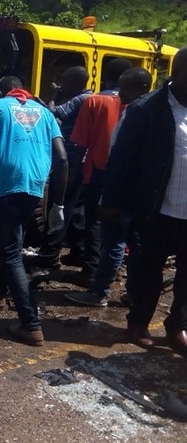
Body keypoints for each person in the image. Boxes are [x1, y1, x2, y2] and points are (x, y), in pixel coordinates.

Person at [0, 76, 68, 346]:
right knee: (13, 240)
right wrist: (58, 203)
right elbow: (61, 158)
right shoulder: (45, 112)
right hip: (36, 184)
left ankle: (31, 324)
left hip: (8, 184)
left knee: (11, 252)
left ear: (2, 92)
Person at [101, 47, 187, 352]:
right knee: (148, 273)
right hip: (155, 209)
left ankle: (176, 326)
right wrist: (111, 202)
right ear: (177, 73)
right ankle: (138, 323)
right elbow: (121, 158)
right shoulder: (146, 109)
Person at [64, 67, 152, 307]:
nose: (120, 93)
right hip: (139, 189)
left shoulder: (133, 114)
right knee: (134, 242)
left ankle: (98, 291)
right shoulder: (151, 113)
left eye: (125, 89)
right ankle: (134, 292)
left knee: (112, 239)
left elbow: (118, 157)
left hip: (114, 183)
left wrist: (105, 192)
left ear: (141, 89)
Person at [67, 58, 133, 282]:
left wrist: (73, 172)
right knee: (125, 222)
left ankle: (92, 269)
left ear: (107, 77)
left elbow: (81, 143)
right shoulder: (142, 104)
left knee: (94, 220)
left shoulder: (94, 101)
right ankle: (118, 269)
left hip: (97, 169)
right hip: (128, 173)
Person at [37, 66, 92, 270]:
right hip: (77, 158)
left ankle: (49, 254)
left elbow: (52, 114)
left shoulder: (80, 99)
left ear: (76, 83)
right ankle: (78, 251)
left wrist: (53, 95)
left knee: (59, 204)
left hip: (69, 159)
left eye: (65, 81)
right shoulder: (86, 98)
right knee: (76, 209)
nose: (62, 85)